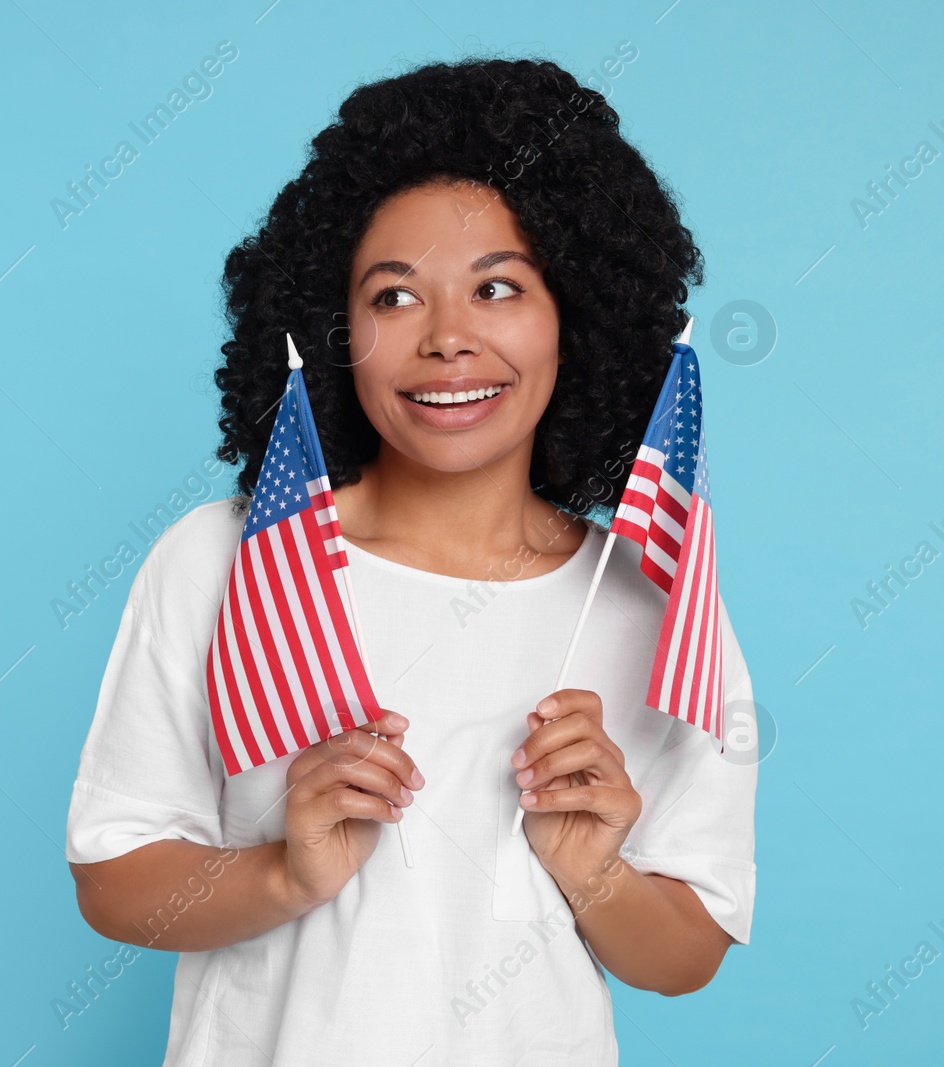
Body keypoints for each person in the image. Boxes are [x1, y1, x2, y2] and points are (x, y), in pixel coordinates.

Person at [63, 56, 756, 1066]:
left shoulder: (649, 598)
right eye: (393, 298)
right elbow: (111, 881)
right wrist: (284, 874)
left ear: (577, 316)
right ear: (334, 330)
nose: (446, 338)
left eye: (497, 287)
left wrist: (592, 868)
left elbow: (685, 954)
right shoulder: (230, 558)